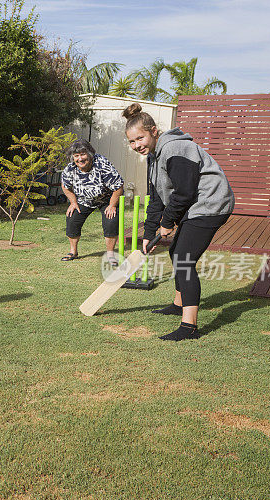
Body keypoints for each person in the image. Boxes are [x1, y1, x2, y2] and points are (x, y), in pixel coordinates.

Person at [124, 103, 235, 341]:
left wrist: (167, 222)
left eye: (140, 138)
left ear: (154, 131)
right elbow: (156, 199)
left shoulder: (176, 147)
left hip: (211, 203)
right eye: (132, 142)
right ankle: (178, 304)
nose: (137, 146)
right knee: (176, 252)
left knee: (184, 259)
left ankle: (189, 327)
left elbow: (183, 191)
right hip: (195, 205)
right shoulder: (153, 157)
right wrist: (149, 233)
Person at [59, 139, 124, 265]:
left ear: (90, 154)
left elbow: (118, 186)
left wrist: (112, 206)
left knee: (110, 221)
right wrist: (73, 202)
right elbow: (65, 186)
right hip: (84, 199)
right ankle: (73, 251)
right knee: (72, 218)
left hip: (107, 198)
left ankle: (110, 255)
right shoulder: (70, 168)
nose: (80, 159)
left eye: (83, 154)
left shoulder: (101, 163)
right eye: (76, 156)